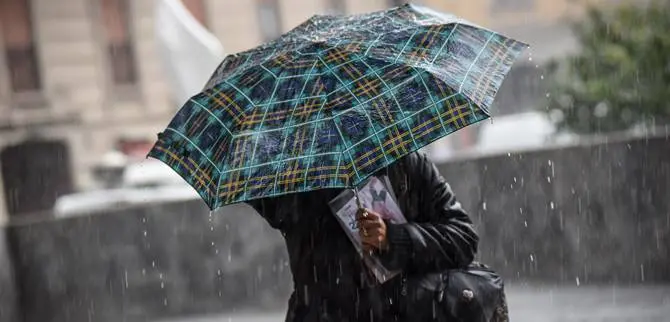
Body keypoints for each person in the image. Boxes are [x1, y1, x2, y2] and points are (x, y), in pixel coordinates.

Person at [247, 152, 478, 321]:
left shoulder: (408, 165)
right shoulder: (292, 178)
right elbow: (258, 189)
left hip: (401, 311)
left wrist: (394, 238)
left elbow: (463, 238)